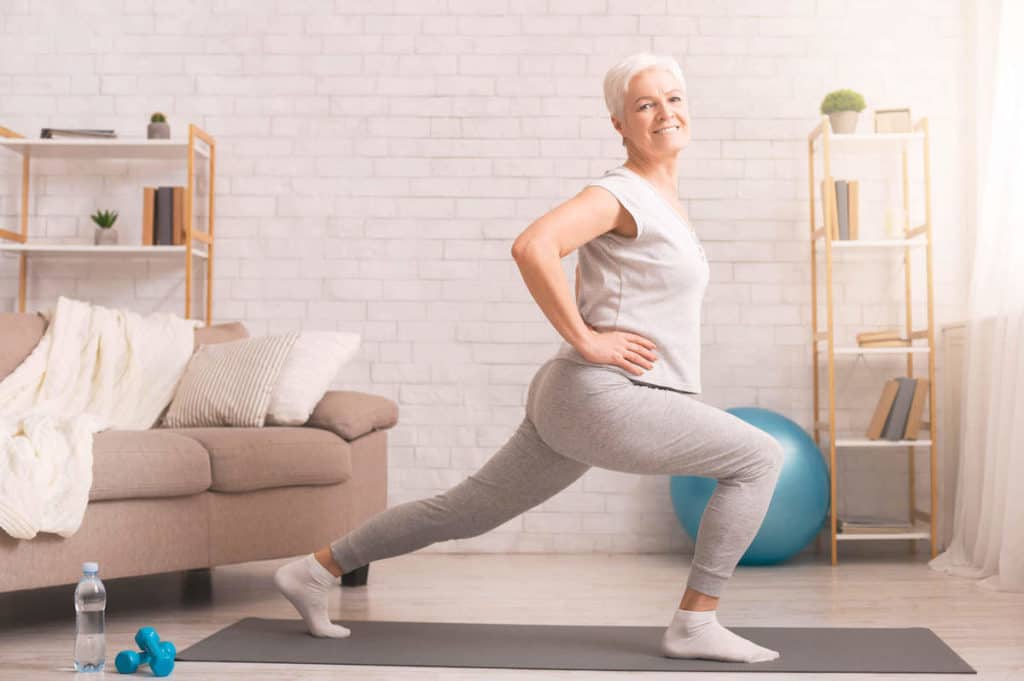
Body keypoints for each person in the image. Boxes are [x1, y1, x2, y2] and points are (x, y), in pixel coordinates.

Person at [274, 52, 784, 664]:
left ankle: (314, 570)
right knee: (759, 456)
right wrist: (588, 340)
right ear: (620, 124)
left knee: (467, 510)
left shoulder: (663, 202)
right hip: (601, 394)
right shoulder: (619, 193)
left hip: (578, 397)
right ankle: (696, 623)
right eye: (645, 104)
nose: (665, 113)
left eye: (673, 99)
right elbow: (533, 246)